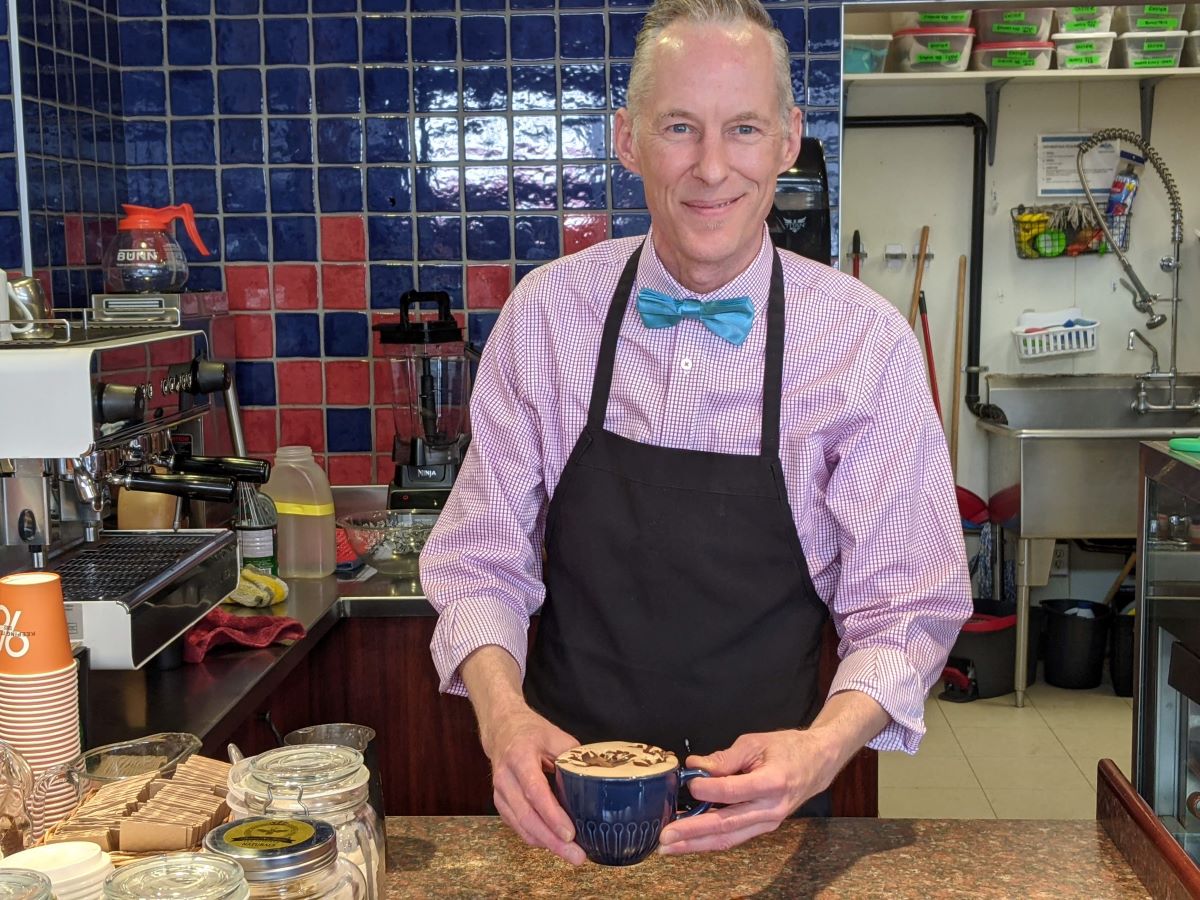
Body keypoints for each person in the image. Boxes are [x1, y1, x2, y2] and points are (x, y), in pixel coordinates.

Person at [420, 0, 972, 864]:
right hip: (562, 817)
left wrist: (819, 750)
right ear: (627, 138)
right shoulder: (546, 317)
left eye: (744, 128)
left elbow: (909, 607)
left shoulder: (866, 345)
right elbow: (481, 557)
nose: (712, 168)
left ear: (788, 140)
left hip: (766, 819)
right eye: (680, 126)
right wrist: (503, 718)